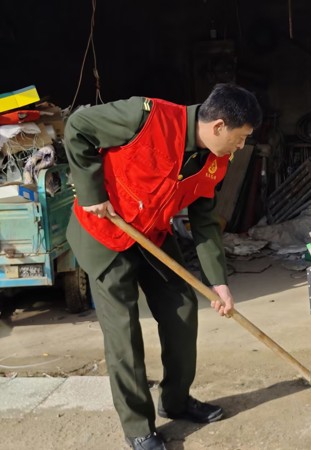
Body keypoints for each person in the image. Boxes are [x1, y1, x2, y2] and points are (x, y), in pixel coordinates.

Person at [64, 83, 262, 450]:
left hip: (152, 234)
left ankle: (176, 400)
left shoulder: (216, 162)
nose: (240, 147)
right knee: (124, 331)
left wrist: (218, 282)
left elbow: (204, 223)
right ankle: (138, 428)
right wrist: (92, 193)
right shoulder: (145, 117)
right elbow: (78, 127)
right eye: (240, 138)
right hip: (104, 232)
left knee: (182, 308)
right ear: (218, 126)